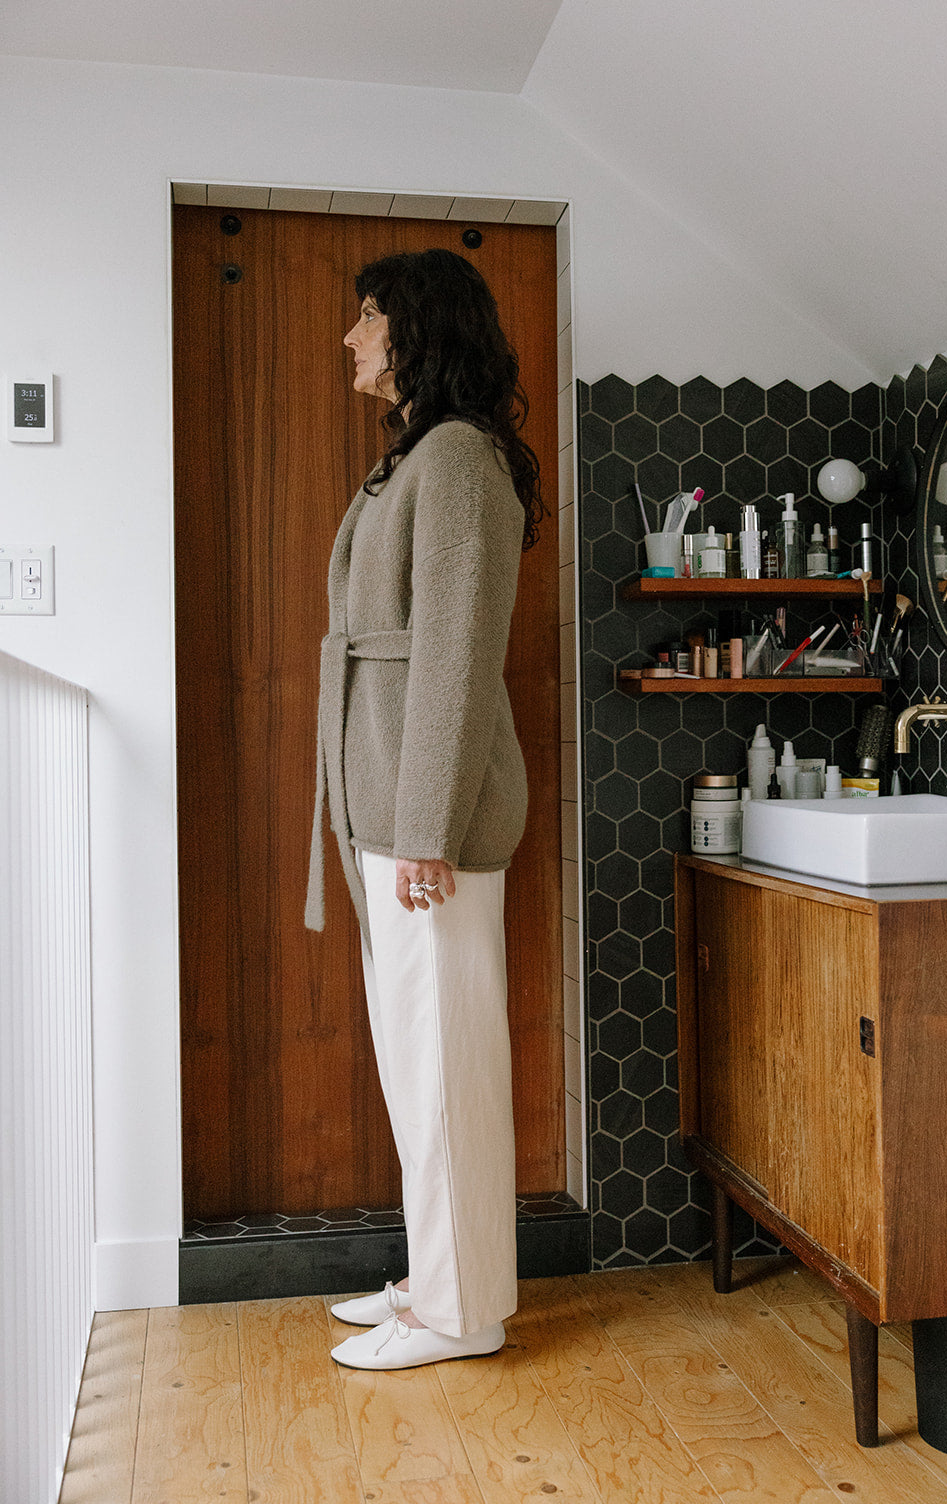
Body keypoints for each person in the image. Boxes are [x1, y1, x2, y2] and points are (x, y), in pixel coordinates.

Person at [305, 247, 543, 1370]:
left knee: (443, 1064)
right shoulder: (417, 455)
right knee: (421, 1062)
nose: (352, 338)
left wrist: (428, 831)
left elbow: (456, 652)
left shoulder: (455, 458)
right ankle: (443, 1277)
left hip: (423, 819)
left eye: (369, 317)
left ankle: (460, 1313)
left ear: (417, 330)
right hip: (393, 810)